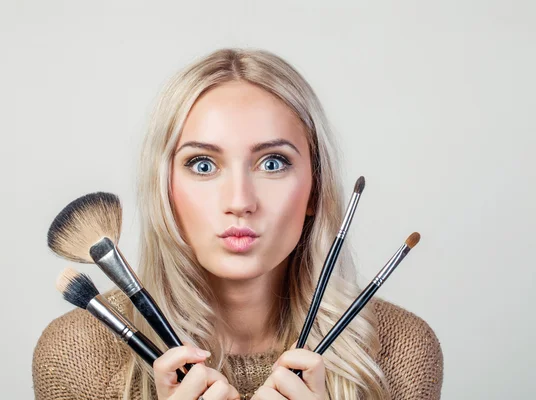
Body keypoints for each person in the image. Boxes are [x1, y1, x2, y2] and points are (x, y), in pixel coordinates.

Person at [33, 48, 443, 400]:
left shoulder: (400, 350)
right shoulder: (78, 353)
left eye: (272, 163)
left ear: (315, 190)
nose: (240, 202)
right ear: (165, 190)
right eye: (204, 164)